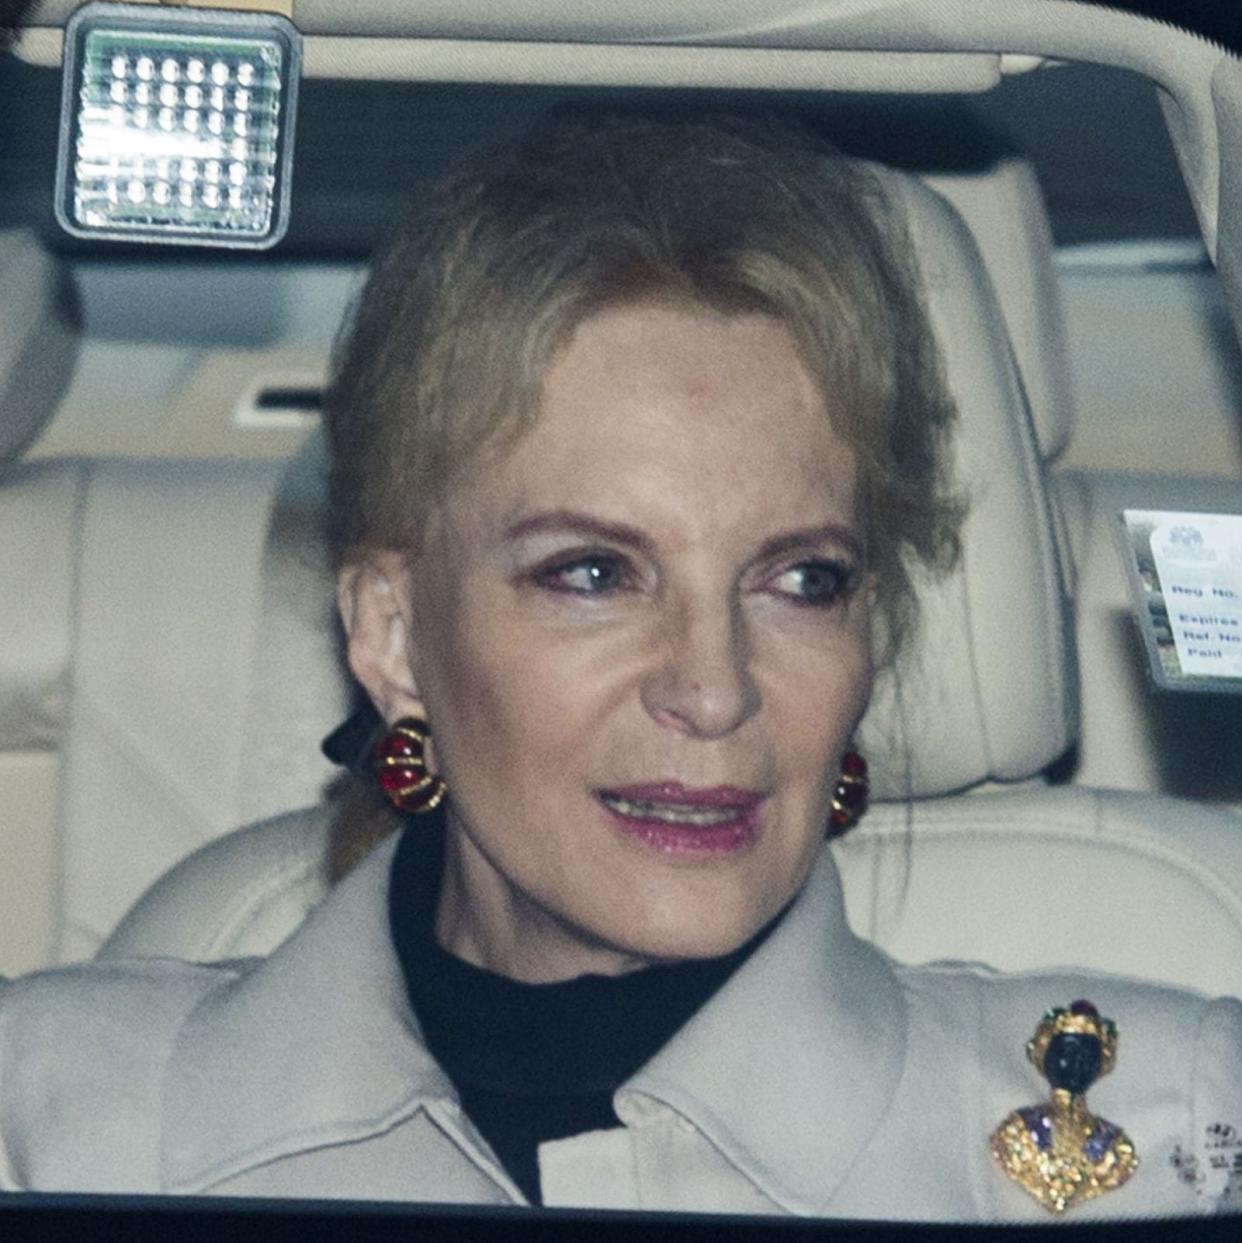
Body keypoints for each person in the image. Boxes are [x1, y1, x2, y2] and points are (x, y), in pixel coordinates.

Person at [1, 113, 1239, 1221]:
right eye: (593, 573)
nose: (714, 689)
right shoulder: (52, 1126)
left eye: (802, 580)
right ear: (390, 632)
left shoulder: (1182, 1137)